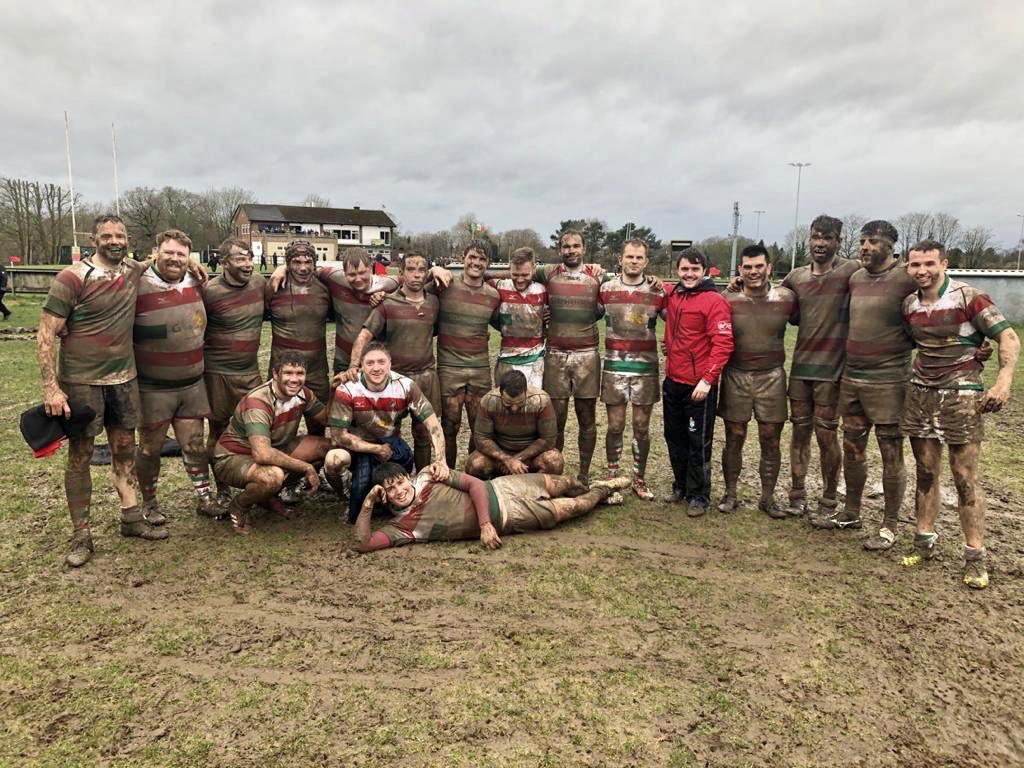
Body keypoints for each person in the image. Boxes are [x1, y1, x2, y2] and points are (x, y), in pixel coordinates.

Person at [38, 214, 164, 567]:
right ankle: (82, 534)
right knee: (80, 454)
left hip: (124, 379)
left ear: (128, 239)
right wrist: (51, 387)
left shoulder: (133, 271)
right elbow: (47, 333)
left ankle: (131, 518)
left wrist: (197, 270)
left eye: (120, 235)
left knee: (125, 447)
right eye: (106, 235)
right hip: (81, 382)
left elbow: (166, 262)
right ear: (93, 239)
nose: (114, 240)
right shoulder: (72, 277)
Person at [900, 240, 1020, 589]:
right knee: (925, 472)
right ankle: (924, 543)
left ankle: (975, 556)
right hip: (921, 392)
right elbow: (917, 344)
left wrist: (1003, 381)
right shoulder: (909, 303)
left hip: (962, 396)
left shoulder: (970, 297)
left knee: (964, 476)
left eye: (929, 264)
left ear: (944, 263)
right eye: (915, 265)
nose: (922, 271)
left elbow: (1009, 337)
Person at [812, 221, 918, 547]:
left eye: (872, 242)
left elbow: (939, 304)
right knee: (853, 446)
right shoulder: (856, 278)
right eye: (862, 242)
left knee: (890, 450)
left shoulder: (906, 278)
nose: (865, 247)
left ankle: (889, 526)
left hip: (889, 381)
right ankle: (851, 512)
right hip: (852, 377)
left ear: (890, 245)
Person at [352, 461, 632, 552]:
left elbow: (475, 485)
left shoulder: (429, 476)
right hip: (511, 517)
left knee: (565, 482)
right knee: (575, 507)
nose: (399, 490)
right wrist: (367, 503)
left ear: (408, 478)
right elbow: (362, 543)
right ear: (384, 497)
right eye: (390, 489)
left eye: (400, 482)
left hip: (504, 487)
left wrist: (484, 525)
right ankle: (601, 490)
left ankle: (592, 488)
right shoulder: (402, 528)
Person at [133, 229, 220, 522]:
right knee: (150, 448)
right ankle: (149, 502)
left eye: (181, 254)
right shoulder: (136, 282)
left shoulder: (198, 280)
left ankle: (205, 498)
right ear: (156, 252)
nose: (174, 259)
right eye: (168, 252)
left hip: (191, 384)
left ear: (190, 258)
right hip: (152, 387)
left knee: (194, 444)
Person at [781, 215, 860, 518]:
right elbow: (772, 299)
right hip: (801, 368)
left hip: (832, 371)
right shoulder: (796, 278)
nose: (820, 243)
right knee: (799, 432)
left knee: (826, 434)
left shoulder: (851, 271)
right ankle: (797, 494)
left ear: (838, 241)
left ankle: (828, 499)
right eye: (816, 236)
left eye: (828, 238)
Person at [210, 351, 332, 534]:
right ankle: (239, 505)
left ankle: (267, 497)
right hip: (233, 457)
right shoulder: (258, 401)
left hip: (274, 448)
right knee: (271, 477)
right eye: (288, 373)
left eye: (300, 374)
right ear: (275, 374)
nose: (294, 379)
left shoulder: (303, 393)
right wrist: (306, 467)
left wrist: (336, 391)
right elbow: (263, 454)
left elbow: (326, 419)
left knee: (326, 447)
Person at [324, 341, 446, 523]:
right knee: (333, 459)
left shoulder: (405, 385)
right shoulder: (348, 388)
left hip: (390, 447)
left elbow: (433, 424)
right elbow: (338, 435)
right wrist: (374, 449)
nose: (376, 368)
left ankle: (391, 496)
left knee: (397, 471)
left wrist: (441, 460)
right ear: (361, 366)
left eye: (381, 362)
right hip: (357, 448)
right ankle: (349, 495)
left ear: (390, 363)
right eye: (370, 363)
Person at [718, 243, 797, 518]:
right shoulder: (727, 300)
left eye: (759, 266)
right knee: (734, 436)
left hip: (772, 375)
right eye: (748, 267)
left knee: (770, 437)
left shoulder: (787, 298)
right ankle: (730, 493)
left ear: (769, 268)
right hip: (736, 374)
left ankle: (768, 498)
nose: (753, 272)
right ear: (740, 270)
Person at [350, 251, 441, 470]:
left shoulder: (434, 303)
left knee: (423, 432)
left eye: (421, 270)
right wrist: (354, 366)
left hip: (427, 376)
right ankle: (386, 480)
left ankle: (423, 482)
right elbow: (364, 336)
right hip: (395, 379)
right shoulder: (386, 303)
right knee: (386, 431)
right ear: (401, 273)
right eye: (411, 269)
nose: (417, 275)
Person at [662, 247, 733, 515]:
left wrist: (707, 380)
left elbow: (723, 343)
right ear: (677, 271)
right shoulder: (674, 295)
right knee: (674, 437)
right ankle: (680, 485)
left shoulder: (714, 301)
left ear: (704, 271)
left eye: (694, 269)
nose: (689, 274)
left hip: (698, 386)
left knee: (698, 441)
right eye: (684, 269)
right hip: (673, 381)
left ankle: (699, 494)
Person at [534, 230, 604, 485]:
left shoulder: (597, 276)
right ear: (559, 249)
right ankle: (556, 474)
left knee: (587, 417)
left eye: (576, 246)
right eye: (566, 246)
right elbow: (515, 273)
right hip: (556, 354)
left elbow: (601, 309)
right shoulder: (547, 272)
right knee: (556, 420)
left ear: (584, 249)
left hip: (587, 355)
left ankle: (584, 475)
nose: (571, 250)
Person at [598, 239, 666, 501]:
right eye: (630, 257)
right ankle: (613, 479)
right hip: (614, 367)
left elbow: (677, 317)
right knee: (615, 426)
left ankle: (639, 478)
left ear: (646, 262)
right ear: (620, 259)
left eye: (639, 258)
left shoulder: (658, 291)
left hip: (646, 368)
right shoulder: (606, 289)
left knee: (641, 427)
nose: (634, 261)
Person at [203, 238, 267, 508]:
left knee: (259, 429)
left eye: (249, 257)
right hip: (218, 373)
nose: (248, 263)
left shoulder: (260, 283)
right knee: (219, 430)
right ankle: (222, 487)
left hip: (250, 373)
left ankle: (260, 484)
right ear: (225, 261)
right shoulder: (209, 291)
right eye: (240, 258)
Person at [435, 241, 500, 468]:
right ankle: (449, 474)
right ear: (463, 258)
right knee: (450, 425)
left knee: (479, 426)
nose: (476, 262)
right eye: (472, 257)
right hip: (449, 368)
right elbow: (412, 285)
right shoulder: (445, 286)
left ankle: (472, 474)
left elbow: (504, 324)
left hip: (479, 369)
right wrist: (434, 269)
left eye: (482, 259)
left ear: (488, 264)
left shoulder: (493, 295)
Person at [265, 240, 331, 436]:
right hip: (282, 372)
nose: (303, 268)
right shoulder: (274, 287)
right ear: (288, 263)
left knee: (319, 428)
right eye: (296, 262)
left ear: (314, 263)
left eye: (308, 261)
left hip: (316, 372)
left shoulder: (325, 289)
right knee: (279, 430)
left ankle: (315, 465)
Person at [465, 370, 563, 479]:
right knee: (475, 464)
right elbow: (481, 439)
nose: (514, 408)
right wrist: (506, 459)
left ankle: (534, 489)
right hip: (499, 457)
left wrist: (518, 459)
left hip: (531, 457)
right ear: (501, 394)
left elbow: (548, 440)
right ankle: (491, 489)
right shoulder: (489, 401)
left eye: (520, 403)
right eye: (508, 404)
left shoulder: (541, 400)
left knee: (554, 461)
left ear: (526, 392)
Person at [491, 247, 547, 389]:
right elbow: (477, 278)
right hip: (507, 359)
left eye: (525, 274)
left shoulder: (543, 290)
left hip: (536, 360)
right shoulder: (499, 285)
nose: (520, 280)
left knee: (534, 405)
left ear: (534, 269)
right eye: (515, 274)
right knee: (507, 406)